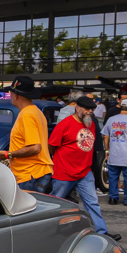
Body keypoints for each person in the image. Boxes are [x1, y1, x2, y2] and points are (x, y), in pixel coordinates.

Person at [48, 96, 118, 240]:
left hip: (84, 172)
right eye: (87, 108)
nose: (90, 111)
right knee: (55, 204)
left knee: (92, 203)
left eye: (92, 109)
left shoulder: (90, 124)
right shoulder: (65, 124)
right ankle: (48, 233)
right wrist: (61, 160)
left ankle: (102, 232)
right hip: (64, 173)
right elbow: (52, 145)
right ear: (77, 107)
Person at [0, 75, 53, 192]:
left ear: (16, 95)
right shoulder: (36, 112)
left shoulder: (27, 115)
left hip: (29, 174)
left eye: (11, 93)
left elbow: (35, 148)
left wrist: (7, 155)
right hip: (36, 173)